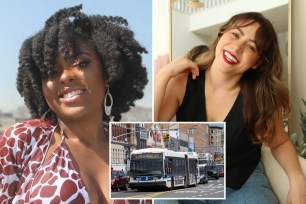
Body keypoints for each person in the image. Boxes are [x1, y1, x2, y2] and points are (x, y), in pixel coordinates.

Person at [0, 4, 148, 204]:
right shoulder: (22, 140)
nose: (65, 77)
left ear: (107, 73)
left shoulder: (134, 146)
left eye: (81, 63)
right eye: (51, 72)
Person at [154, 12, 306, 203]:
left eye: (251, 46)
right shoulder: (182, 80)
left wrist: (297, 180)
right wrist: (164, 74)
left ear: (257, 62)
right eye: (235, 34)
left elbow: (280, 142)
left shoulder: (261, 97)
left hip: (238, 184)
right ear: (221, 34)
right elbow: (151, 134)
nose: (237, 47)